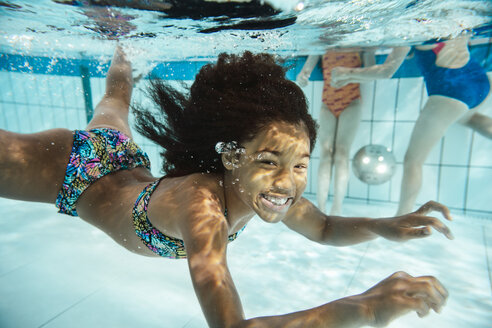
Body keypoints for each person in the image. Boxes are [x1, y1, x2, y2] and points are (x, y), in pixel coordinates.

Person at [0, 45, 454, 327]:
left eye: (300, 165)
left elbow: (325, 227)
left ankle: (123, 41)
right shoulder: (203, 210)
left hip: (120, 155)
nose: (287, 182)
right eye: (270, 160)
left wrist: (383, 224)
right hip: (68, 170)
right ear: (231, 156)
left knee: (116, 98)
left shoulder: (265, 188)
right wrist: (368, 309)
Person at [330, 35, 492, 215]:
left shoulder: (411, 29)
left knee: (413, 161)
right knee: (465, 118)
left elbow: (386, 71)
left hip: (451, 91)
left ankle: (403, 219)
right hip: (480, 81)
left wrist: (347, 74)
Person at [296, 51, 365, 215]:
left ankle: (337, 206)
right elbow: (304, 71)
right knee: (326, 154)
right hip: (327, 103)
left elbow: (371, 70)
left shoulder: (357, 44)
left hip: (352, 103)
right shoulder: (323, 44)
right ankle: (320, 206)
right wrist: (302, 78)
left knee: (342, 152)